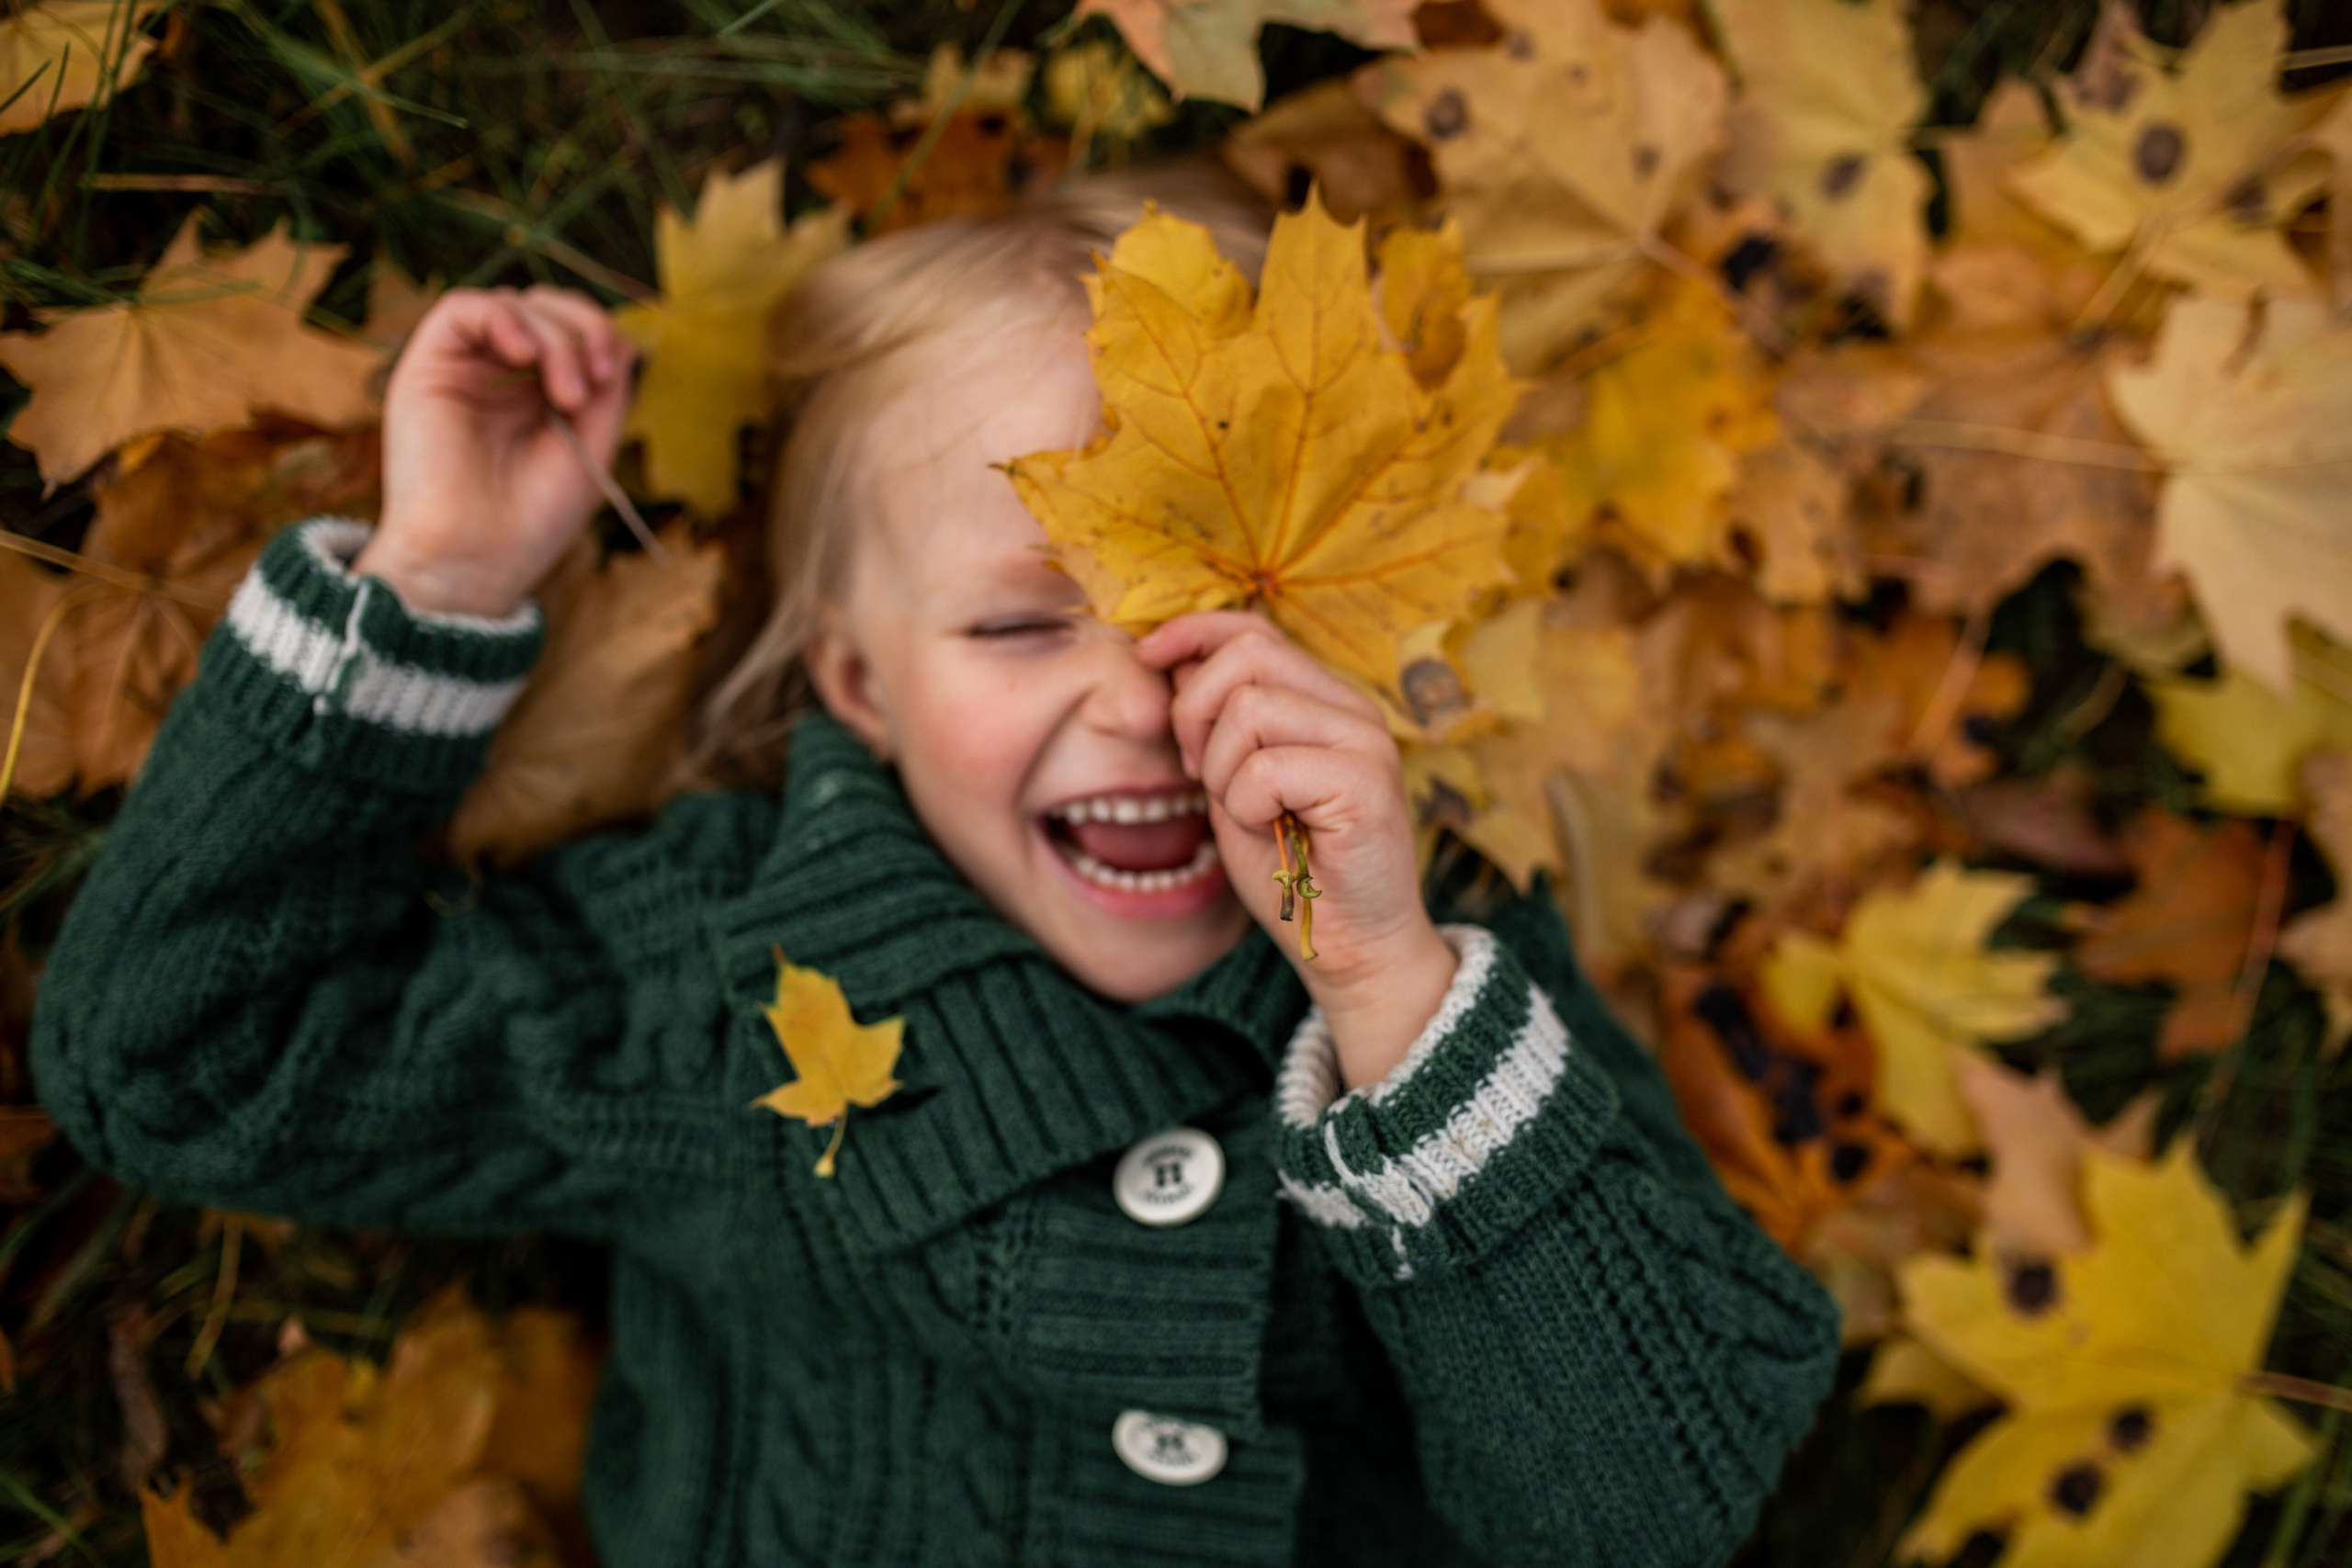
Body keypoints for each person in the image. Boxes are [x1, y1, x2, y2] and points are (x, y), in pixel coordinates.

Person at [30, 164, 1840, 1566]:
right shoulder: (726, 975)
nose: (1143, 701)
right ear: (850, 681)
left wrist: (1384, 993)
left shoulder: (1450, 988)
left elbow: (1651, 1504)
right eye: (1015, 617)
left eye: (1233, 603)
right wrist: (435, 582)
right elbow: (182, 1054)